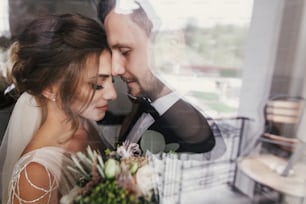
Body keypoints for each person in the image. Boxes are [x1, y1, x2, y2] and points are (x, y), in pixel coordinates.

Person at [0, 13, 117, 203]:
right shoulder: (36, 174)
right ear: (50, 89)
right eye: (96, 84)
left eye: (113, 80)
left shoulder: (86, 127)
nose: (113, 94)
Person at [97, 0, 224, 154]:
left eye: (124, 51)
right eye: (112, 53)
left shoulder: (193, 121)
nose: (114, 69)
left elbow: (202, 139)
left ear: (172, 44)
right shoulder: (142, 99)